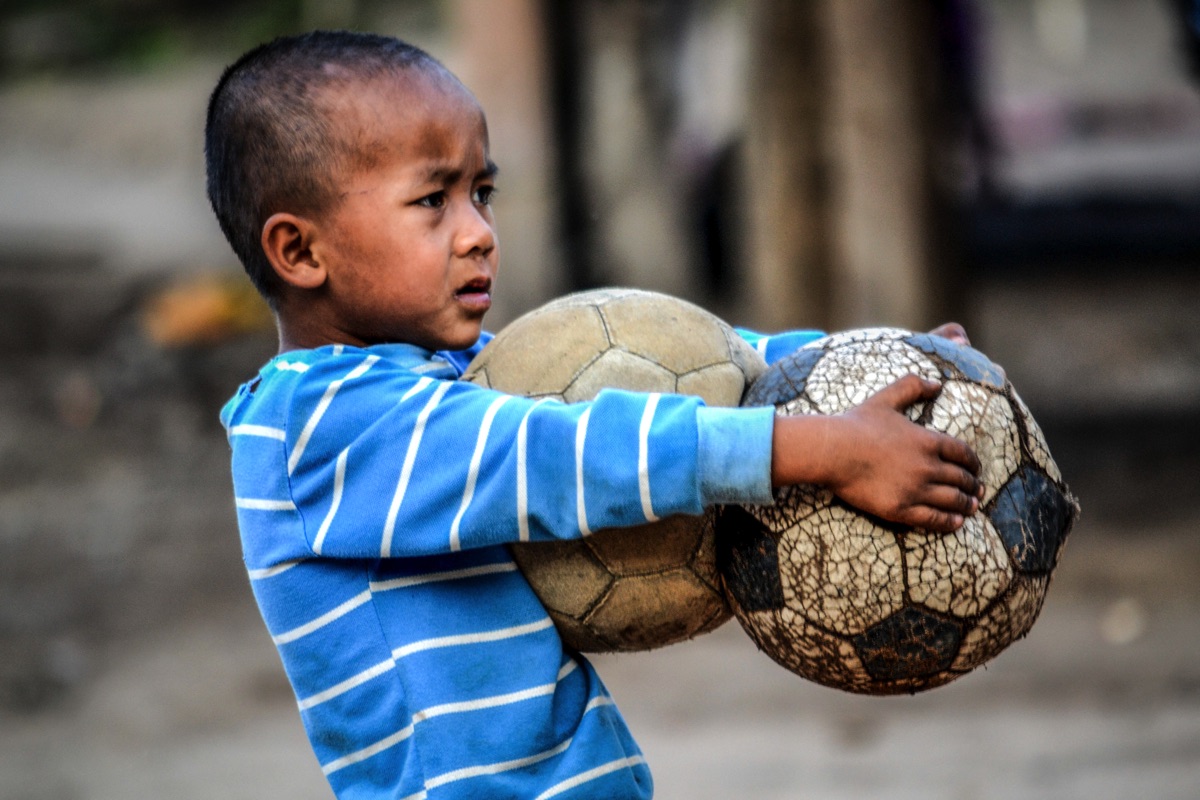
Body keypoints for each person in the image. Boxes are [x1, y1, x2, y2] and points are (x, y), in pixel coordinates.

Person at [206, 30, 984, 800]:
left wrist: (870, 359)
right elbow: (563, 452)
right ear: (301, 252)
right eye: (432, 200)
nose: (479, 234)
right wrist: (819, 448)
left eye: (482, 194)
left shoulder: (438, 380)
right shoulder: (317, 429)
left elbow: (697, 367)